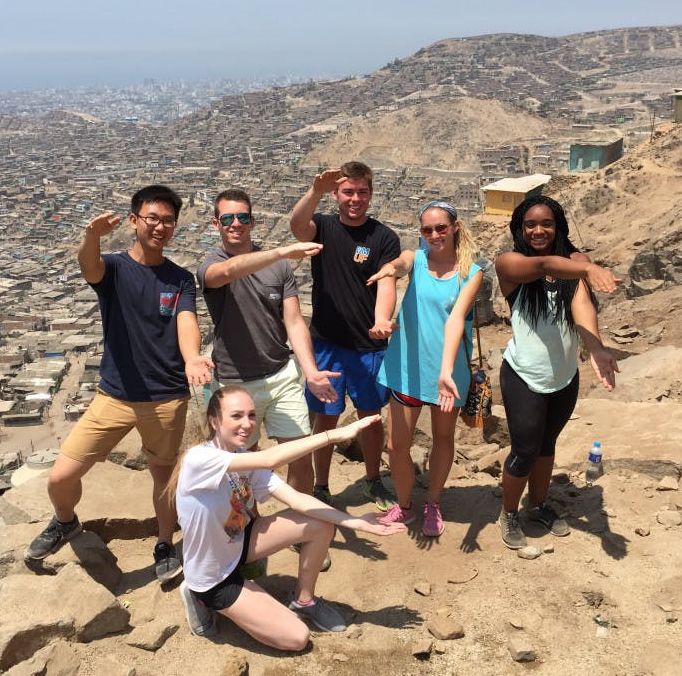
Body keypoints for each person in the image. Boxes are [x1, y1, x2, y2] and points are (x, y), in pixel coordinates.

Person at [25, 185, 215, 583]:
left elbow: (185, 322)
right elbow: (89, 267)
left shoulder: (179, 279)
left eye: (168, 220)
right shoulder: (113, 268)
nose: (161, 226)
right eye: (153, 218)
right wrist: (91, 237)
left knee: (163, 478)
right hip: (114, 395)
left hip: (166, 396)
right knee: (61, 475)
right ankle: (65, 521)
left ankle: (165, 541)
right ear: (134, 221)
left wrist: (193, 356)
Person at [173, 385, 407, 651]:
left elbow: (297, 499)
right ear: (214, 420)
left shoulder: (244, 458)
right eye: (236, 416)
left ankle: (304, 600)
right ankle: (197, 596)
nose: (247, 424)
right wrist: (332, 435)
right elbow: (270, 458)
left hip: (238, 544)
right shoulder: (200, 459)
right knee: (296, 638)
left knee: (320, 523)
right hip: (213, 576)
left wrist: (354, 522)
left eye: (251, 415)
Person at [488, 195, 620, 550]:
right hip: (524, 375)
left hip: (563, 376)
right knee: (525, 449)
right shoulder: (509, 263)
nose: (538, 230)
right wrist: (587, 269)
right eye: (530, 224)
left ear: (558, 225)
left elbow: (581, 305)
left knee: (547, 445)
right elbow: (547, 264)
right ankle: (509, 512)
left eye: (546, 223)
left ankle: (538, 505)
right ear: (520, 229)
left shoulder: (575, 266)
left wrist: (596, 347)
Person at [197, 188, 339, 495]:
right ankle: (250, 526)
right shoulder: (210, 264)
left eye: (243, 217)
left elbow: (294, 320)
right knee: (241, 464)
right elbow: (226, 272)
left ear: (252, 221)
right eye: (228, 218)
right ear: (215, 224)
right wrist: (280, 252)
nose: (236, 223)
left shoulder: (280, 267)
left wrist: (311, 371)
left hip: (281, 374)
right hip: (235, 383)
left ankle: (299, 527)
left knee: (299, 456)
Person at [366, 201, 483, 537]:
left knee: (443, 438)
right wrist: (389, 272)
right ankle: (404, 507)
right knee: (396, 445)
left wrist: (446, 372)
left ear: (455, 227)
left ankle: (433, 501)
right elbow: (399, 264)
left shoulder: (471, 273)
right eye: (427, 230)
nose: (434, 235)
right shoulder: (415, 260)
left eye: (440, 228)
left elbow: (456, 320)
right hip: (408, 369)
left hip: (448, 373)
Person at [289, 161, 400, 510]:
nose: (355, 199)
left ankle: (372, 480)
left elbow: (386, 280)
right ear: (336, 194)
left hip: (368, 346)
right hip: (328, 344)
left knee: (370, 418)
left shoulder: (383, 237)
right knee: (325, 420)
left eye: (362, 192)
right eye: (348, 192)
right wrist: (314, 191)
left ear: (371, 193)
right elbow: (297, 227)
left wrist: (383, 318)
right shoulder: (322, 227)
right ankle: (321, 486)